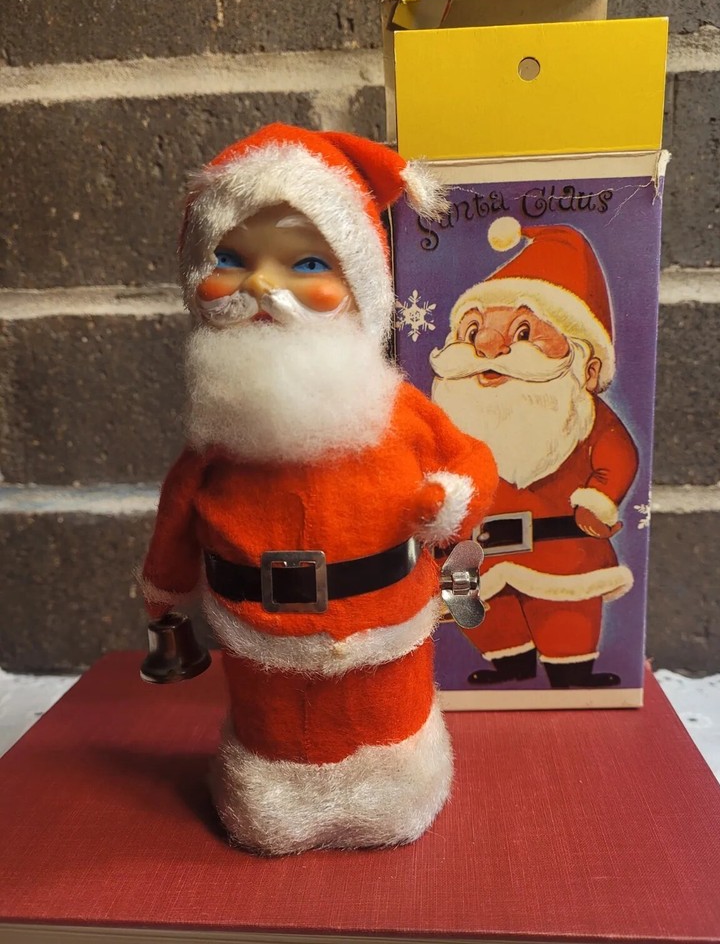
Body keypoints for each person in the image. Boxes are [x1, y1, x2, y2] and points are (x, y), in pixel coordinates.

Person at [138, 124, 497, 854]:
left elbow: (471, 461)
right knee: (277, 743)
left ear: (363, 288)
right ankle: (276, 802)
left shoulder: (400, 412)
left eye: (307, 263)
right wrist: (164, 592)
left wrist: (454, 498)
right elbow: (177, 517)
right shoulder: (216, 439)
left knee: (389, 723)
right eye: (230, 261)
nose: (263, 287)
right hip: (261, 636)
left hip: (387, 625)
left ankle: (395, 790)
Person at [431, 219, 638, 689]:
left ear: (586, 367)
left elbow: (617, 456)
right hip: (478, 550)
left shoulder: (583, 416)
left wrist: (599, 498)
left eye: (523, 333)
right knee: (485, 612)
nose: (488, 347)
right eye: (473, 330)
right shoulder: (453, 415)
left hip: (563, 546)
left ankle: (571, 674)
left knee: (565, 607)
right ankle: (511, 666)